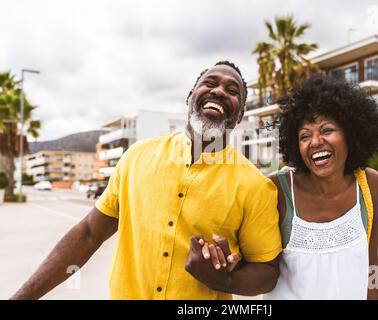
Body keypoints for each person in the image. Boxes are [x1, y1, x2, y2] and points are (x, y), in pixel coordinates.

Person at [10, 61, 282, 300]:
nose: (220, 91)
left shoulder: (255, 185)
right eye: (209, 83)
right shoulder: (137, 157)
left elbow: (267, 270)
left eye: (232, 91)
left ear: (241, 113)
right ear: (190, 96)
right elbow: (89, 234)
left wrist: (225, 281)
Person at [201, 74, 378, 299]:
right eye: (304, 136)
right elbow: (258, 265)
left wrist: (374, 294)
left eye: (327, 130)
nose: (316, 141)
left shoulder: (369, 184)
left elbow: (372, 264)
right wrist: (231, 264)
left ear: (351, 133)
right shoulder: (277, 190)